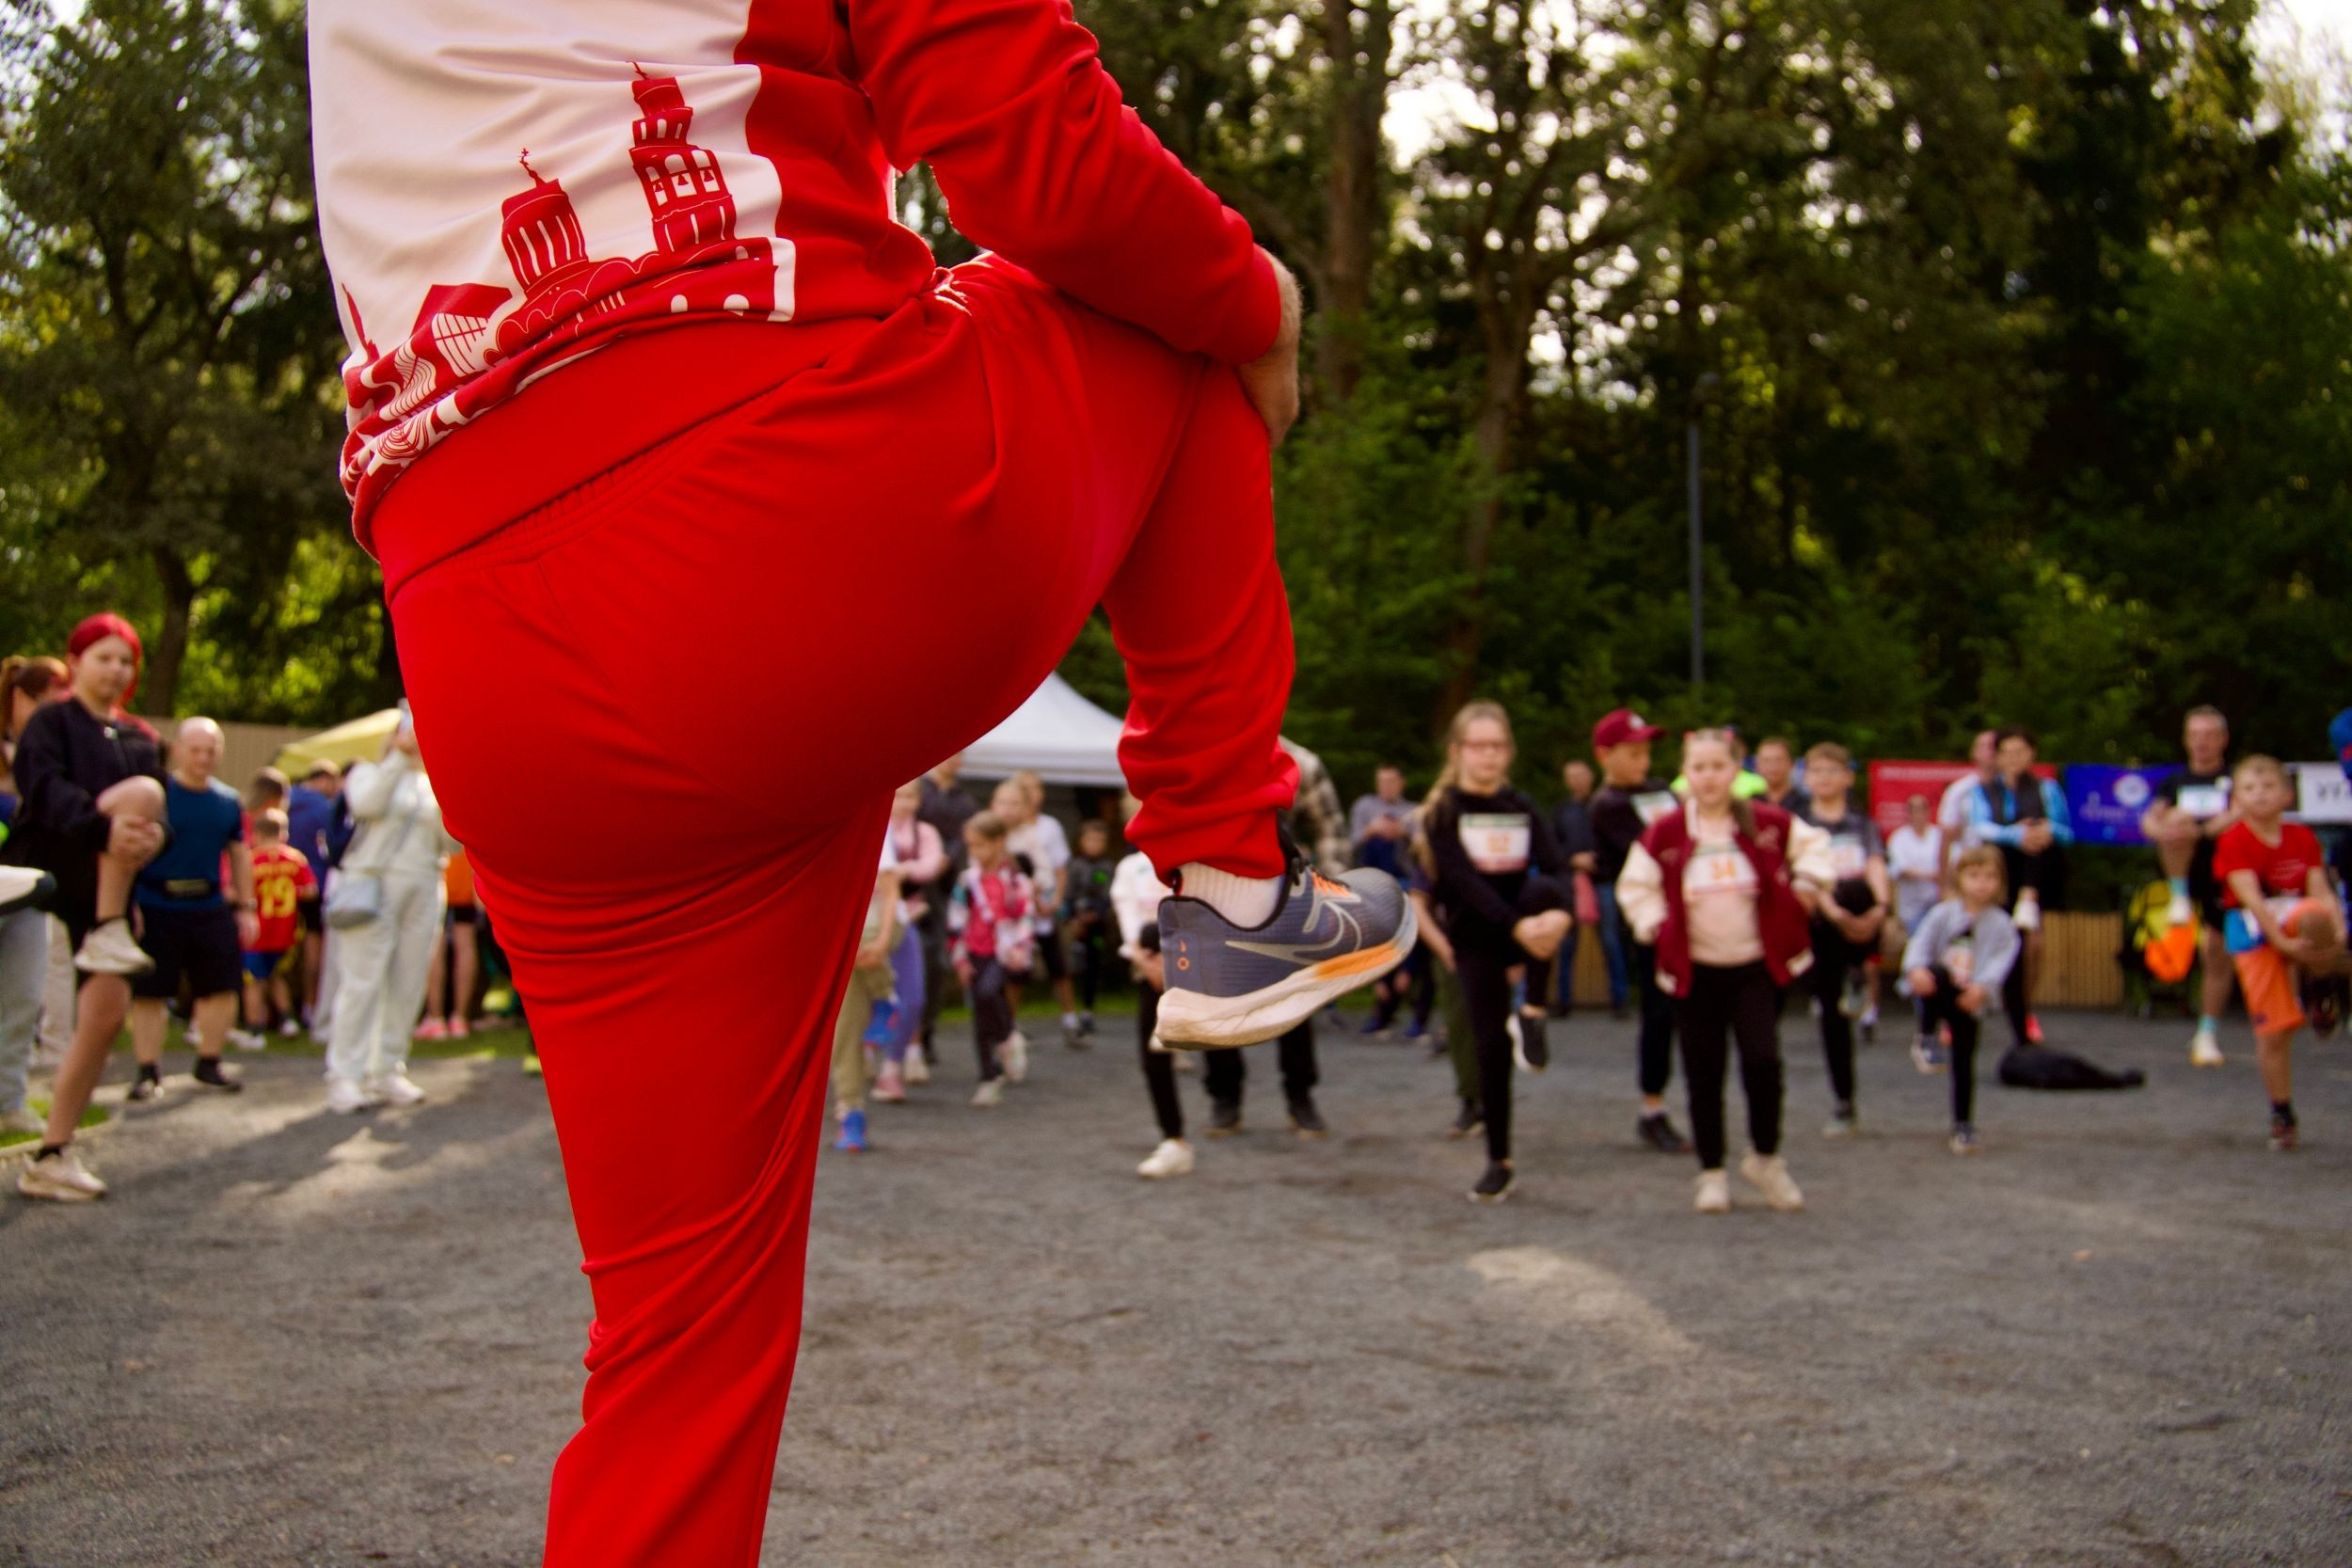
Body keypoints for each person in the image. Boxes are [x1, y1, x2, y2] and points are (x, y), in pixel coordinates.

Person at [318, 2, 1420, 1551]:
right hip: (781, 490)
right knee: (1181, 327)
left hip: (476, 627)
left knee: (674, 1357)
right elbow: (1045, 163)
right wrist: (1260, 298)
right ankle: (1233, 872)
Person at [1616, 728, 1835, 1215]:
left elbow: (1817, 846)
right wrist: (1651, 923)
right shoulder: (1666, 831)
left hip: (1755, 967)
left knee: (1763, 1062)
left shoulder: (1768, 822)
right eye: (1699, 768)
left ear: (1737, 772)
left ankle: (1766, 1160)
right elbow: (1636, 885)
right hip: (1695, 972)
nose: (1709, 777)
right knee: (1702, 1072)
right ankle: (1711, 1173)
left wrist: (1807, 883)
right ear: (1685, 774)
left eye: (1719, 766)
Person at [6, 614, 167, 1201]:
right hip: (42, 876)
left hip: (105, 894)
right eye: (104, 657)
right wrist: (104, 829)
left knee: (104, 1016)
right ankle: (106, 926)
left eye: (125, 661)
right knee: (16, 1008)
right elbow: (43, 791)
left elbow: (157, 820)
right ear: (75, 663)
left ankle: (53, 1153)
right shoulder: (50, 722)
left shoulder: (141, 738)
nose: (116, 670)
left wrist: (153, 841)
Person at [1420, 701, 1572, 1203]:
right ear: (1459, 751)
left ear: (1508, 752)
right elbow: (1463, 886)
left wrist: (1561, 917)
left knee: (1545, 894)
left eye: (1498, 746)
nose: (1489, 756)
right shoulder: (1444, 813)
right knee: (1489, 1048)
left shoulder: (1523, 807)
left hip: (1527, 925)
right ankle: (1499, 1159)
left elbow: (1557, 868)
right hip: (1478, 936)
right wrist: (1518, 931)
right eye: (1479, 746)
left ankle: (1533, 1008)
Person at [2211, 755, 2346, 1152]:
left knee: (2315, 915)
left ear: (2287, 795)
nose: (2260, 796)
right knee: (2274, 1030)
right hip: (2253, 929)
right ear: (2236, 798)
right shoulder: (2233, 840)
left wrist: (2338, 928)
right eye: (2250, 789)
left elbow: (2319, 888)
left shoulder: (2302, 837)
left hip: (2293, 915)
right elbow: (2251, 899)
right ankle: (2282, 1112)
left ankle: (2321, 983)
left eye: (2268, 787)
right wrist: (2282, 945)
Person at [323, 711, 453, 1114]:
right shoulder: (368, 772)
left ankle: (387, 1067)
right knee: (363, 981)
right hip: (373, 887)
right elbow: (364, 804)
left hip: (425, 887)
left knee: (408, 979)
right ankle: (345, 1074)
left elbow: (454, 841)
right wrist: (398, 758)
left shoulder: (434, 784)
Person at [125, 717, 257, 1101]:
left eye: (210, 750)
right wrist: (127, 903)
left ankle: (209, 1062)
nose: (203, 757)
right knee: (150, 992)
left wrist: (247, 907)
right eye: (195, 749)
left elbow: (239, 855)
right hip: (155, 903)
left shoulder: (228, 801)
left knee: (221, 986)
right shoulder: (157, 795)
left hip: (210, 904)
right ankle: (147, 1070)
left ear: (220, 753)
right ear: (178, 749)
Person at [1587, 708, 1687, 1152]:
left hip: (1692, 912)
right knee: (1660, 1015)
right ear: (1604, 756)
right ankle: (1653, 1109)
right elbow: (1658, 853)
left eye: (1647, 751)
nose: (1643, 760)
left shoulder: (1662, 791)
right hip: (1649, 923)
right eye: (1633, 752)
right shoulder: (1607, 806)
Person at [1902, 847, 2022, 1155]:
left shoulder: (2002, 924)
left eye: (1990, 877)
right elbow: (1921, 944)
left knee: (1964, 1061)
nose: (1982, 883)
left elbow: (2002, 960)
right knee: (1937, 971)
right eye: (1974, 875)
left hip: (1970, 999)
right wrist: (1915, 969)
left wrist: (1983, 988)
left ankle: (1963, 1125)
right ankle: (1926, 1037)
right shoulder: (1943, 913)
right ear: (1960, 878)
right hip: (1940, 989)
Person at [1798, 744, 1890, 1137]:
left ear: (1848, 777)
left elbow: (1875, 867)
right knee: (1831, 1016)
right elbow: (1802, 874)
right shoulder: (1799, 824)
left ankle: (1860, 969)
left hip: (1859, 914)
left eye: (1831, 771)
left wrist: (1882, 907)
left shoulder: (1861, 824)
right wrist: (1829, 910)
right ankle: (1843, 1101)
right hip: (1821, 921)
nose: (1823, 778)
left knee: (1856, 890)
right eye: (1816, 771)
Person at [2138, 706, 2239, 1069]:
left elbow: (2238, 813)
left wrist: (2202, 830)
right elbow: (2150, 819)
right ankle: (2178, 895)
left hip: (2225, 870)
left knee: (2216, 949)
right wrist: (2164, 829)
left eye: (2209, 735)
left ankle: (2206, 1031)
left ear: (2223, 740)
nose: (2202, 742)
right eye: (2195, 735)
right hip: (2185, 862)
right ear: (2185, 739)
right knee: (2174, 819)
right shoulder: (2174, 782)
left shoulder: (2235, 778)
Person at [1964, 728, 2073, 1048]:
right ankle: (1964, 1008)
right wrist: (2016, 834)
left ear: (2032, 755)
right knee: (1978, 944)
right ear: (1996, 757)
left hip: (2036, 872)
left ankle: (2023, 1011)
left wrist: (2044, 830)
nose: (2014, 759)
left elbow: (2067, 832)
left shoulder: (2047, 789)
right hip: (1995, 875)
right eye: (2007, 752)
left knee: (2028, 947)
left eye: (2020, 752)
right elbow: (1979, 827)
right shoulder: (1982, 791)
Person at [948, 812, 1035, 1106]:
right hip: (975, 952)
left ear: (999, 842)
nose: (975, 853)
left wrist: (1021, 949)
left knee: (988, 993)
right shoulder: (967, 881)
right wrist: (960, 958)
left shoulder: (1015, 880)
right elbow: (956, 920)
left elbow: (1026, 917)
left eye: (980, 845)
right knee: (979, 1017)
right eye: (971, 846)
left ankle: (1008, 1036)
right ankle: (988, 1077)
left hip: (1004, 953)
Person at [828, 832, 902, 1151]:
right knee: (845, 1028)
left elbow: (890, 891)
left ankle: (886, 998)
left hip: (876, 927)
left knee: (860, 933)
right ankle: (851, 1113)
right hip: (841, 942)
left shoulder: (874, 828)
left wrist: (884, 941)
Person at [875, 780, 945, 1100]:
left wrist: (900, 871)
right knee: (871, 995)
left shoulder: (925, 833)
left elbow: (931, 867)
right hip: (872, 920)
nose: (903, 802)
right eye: (898, 794)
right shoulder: (876, 827)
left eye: (909, 796)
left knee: (913, 995)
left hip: (907, 917)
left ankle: (894, 1063)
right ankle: (865, 1055)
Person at [1351, 765, 1426, 1039]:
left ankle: (1416, 1011)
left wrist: (1403, 832)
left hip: (1408, 884)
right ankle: (1382, 1008)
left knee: (1413, 945)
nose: (1387, 786)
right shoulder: (1365, 807)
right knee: (1380, 941)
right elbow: (1350, 842)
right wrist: (1372, 830)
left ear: (1401, 783)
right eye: (1382, 781)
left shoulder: (1414, 811)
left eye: (1392, 781)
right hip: (1374, 885)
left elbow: (1426, 847)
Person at [236, 808, 317, 1044]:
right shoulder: (295, 859)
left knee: (253, 981)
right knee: (275, 975)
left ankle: (254, 1030)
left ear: (257, 834)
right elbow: (311, 891)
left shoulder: (251, 860)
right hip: (285, 931)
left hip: (257, 932)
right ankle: (286, 1020)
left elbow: (240, 891)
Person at [1884, 793, 1947, 1068]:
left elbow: (1950, 865)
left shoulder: (1938, 836)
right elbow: (1900, 869)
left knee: (1939, 962)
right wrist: (1931, 874)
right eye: (1913, 810)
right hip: (1912, 911)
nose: (1918, 815)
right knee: (1918, 962)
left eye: (1923, 809)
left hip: (1938, 907)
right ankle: (1925, 1017)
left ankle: (1937, 1018)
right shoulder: (1899, 838)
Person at [285, 759, 345, 1023]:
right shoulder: (325, 808)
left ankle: (280, 1011)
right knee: (314, 948)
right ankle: (310, 1005)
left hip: (280, 886)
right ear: (324, 780)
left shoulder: (285, 799)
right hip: (315, 885)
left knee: (282, 946)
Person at [1549, 759, 1599, 1016]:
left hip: (1603, 880)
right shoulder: (1561, 811)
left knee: (1612, 940)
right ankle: (1564, 1000)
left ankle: (1620, 1000)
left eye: (1581, 774)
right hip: (1569, 882)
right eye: (1572, 776)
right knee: (1567, 943)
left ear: (1590, 776)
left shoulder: (1603, 804)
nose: (1577, 780)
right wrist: (1572, 858)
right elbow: (1551, 846)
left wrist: (1596, 860)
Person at [416, 847, 483, 1040]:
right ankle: (459, 1018)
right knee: (466, 942)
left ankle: (435, 1018)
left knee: (436, 944)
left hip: (441, 873)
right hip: (465, 874)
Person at [1060, 816, 1118, 1041]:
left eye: (1099, 840)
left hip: (1097, 927)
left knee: (1093, 964)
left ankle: (1088, 1009)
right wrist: (1075, 918)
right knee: (1074, 965)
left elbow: (1108, 894)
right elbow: (1067, 894)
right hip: (1075, 924)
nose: (1094, 844)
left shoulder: (1107, 867)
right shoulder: (1074, 866)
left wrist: (1096, 914)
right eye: (1090, 840)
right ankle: (1071, 1010)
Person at [1938, 730, 2000, 875]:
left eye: (1995, 746)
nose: (1992, 751)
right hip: (1968, 867)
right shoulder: (1960, 790)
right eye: (1986, 746)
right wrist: (1944, 883)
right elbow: (1946, 838)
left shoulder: (2013, 789)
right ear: (1974, 753)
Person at [1754, 736, 1811, 817]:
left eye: (1778, 760)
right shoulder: (1751, 805)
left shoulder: (1808, 805)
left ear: (1792, 763)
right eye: (1766, 761)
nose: (1772, 766)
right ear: (1757, 765)